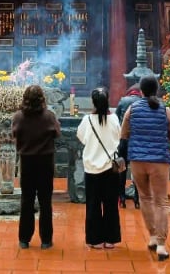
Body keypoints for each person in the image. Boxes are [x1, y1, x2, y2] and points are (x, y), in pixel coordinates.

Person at [120, 75, 170, 261]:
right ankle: (162, 245)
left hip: (137, 160)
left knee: (145, 198)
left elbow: (124, 135)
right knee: (161, 202)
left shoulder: (132, 109)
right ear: (156, 90)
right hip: (159, 161)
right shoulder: (166, 110)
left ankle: (153, 236)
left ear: (141, 91)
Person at [12, 84, 61, 250]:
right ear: (42, 98)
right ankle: (46, 240)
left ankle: (24, 239)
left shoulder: (18, 116)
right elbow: (57, 133)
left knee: (26, 201)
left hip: (26, 163)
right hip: (45, 163)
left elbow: (14, 134)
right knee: (45, 202)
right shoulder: (49, 116)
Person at [76, 87, 122, 249]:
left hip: (92, 169)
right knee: (110, 205)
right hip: (110, 168)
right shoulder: (115, 119)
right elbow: (119, 136)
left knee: (93, 205)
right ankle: (110, 239)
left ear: (93, 102)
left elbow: (81, 138)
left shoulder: (87, 120)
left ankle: (95, 239)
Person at [115, 80, 143, 208]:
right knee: (136, 171)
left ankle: (121, 197)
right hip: (137, 141)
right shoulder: (142, 102)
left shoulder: (123, 101)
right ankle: (137, 199)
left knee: (121, 169)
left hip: (123, 141)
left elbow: (116, 119)